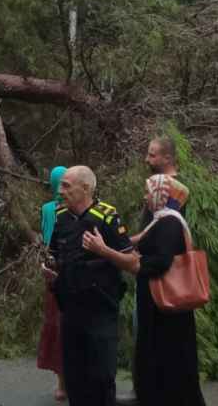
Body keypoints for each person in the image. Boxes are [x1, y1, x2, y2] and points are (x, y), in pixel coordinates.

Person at [90, 173, 207, 406]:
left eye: (148, 191)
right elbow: (138, 241)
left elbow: (160, 262)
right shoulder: (161, 219)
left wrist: (111, 254)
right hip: (158, 306)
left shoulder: (169, 223)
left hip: (164, 309)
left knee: (167, 360)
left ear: (161, 194)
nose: (145, 196)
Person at [43, 165, 129, 406]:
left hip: (101, 311)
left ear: (86, 188)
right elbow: (54, 255)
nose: (60, 191)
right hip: (70, 311)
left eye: (67, 186)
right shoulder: (61, 218)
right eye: (61, 185)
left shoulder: (107, 217)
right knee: (75, 380)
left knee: (101, 379)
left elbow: (134, 262)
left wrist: (103, 251)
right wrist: (51, 272)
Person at [37, 166, 67, 402]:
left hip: (51, 269)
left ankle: (61, 384)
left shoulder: (48, 209)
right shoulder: (75, 207)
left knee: (55, 324)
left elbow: (45, 237)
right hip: (70, 270)